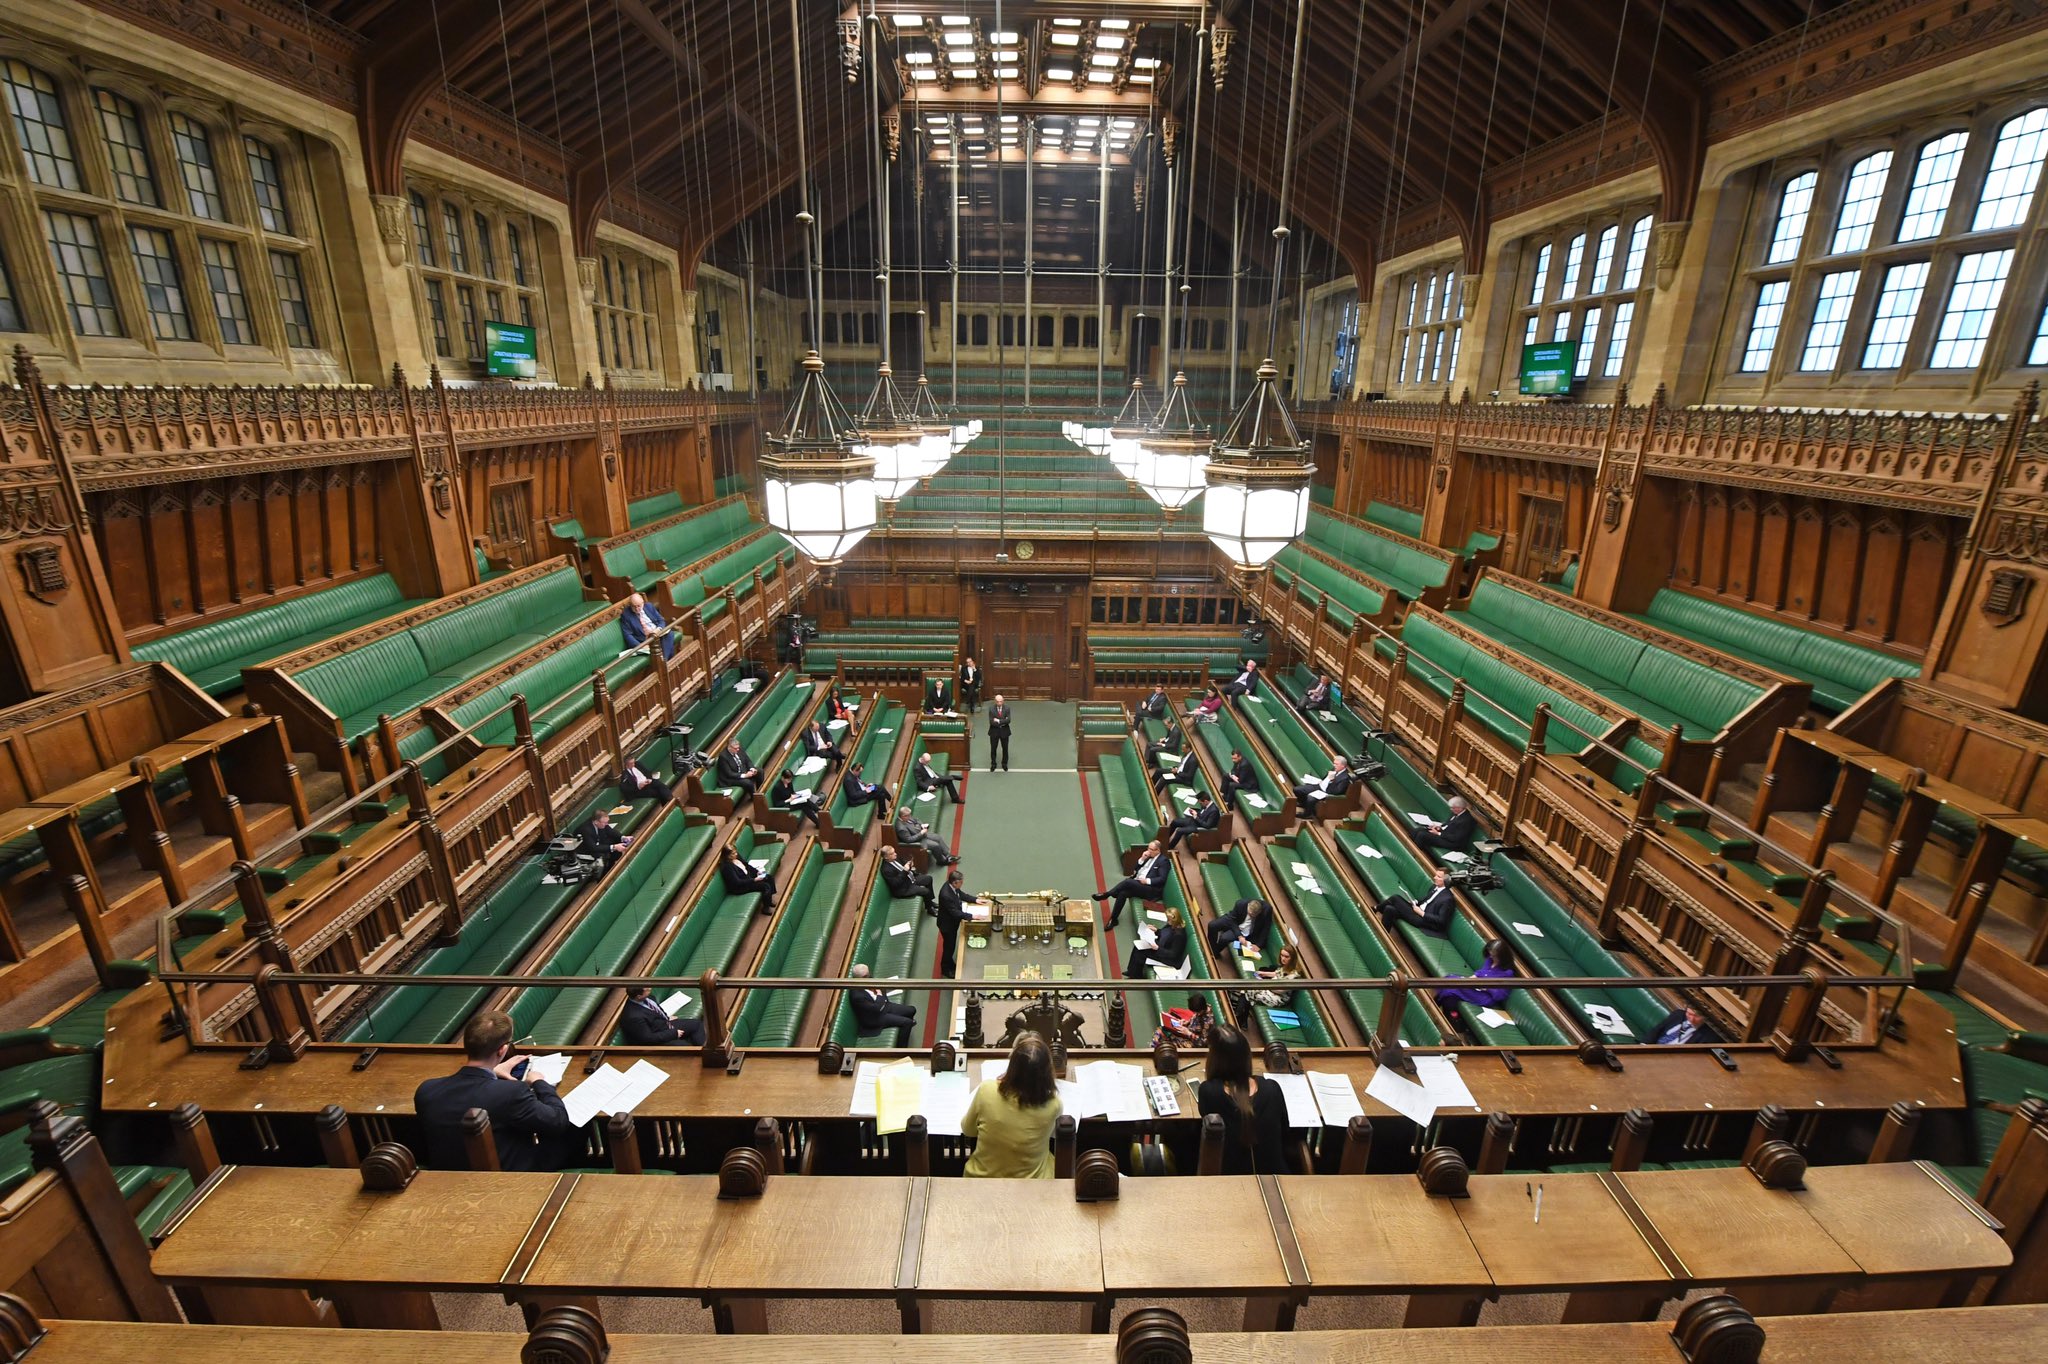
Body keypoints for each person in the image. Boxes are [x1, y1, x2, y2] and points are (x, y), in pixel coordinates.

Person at [413, 1010, 574, 1172]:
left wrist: (493, 1072)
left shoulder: (426, 1090)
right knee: (575, 1130)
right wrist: (539, 1081)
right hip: (507, 1177)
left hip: (449, 1176)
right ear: (502, 1050)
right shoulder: (512, 1092)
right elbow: (558, 1120)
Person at [960, 1034, 1061, 1178]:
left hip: (982, 1180)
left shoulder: (986, 1090)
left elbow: (967, 1130)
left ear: (1012, 1066)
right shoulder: (1054, 1104)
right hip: (1031, 1186)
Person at [1197, 1023, 1290, 1175]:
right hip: (1276, 1178)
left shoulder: (1209, 1091)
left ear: (1214, 1058)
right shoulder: (1272, 1088)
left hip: (1231, 1182)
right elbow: (1286, 1132)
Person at [1093, 841, 1169, 930]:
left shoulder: (1163, 861)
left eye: (1151, 850)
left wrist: (1147, 881)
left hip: (1150, 890)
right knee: (1122, 893)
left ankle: (1107, 894)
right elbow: (1136, 868)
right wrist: (1142, 859)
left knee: (1128, 882)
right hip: (1139, 883)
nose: (1149, 851)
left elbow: (1162, 879)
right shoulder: (1148, 856)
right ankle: (1113, 919)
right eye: (1148, 848)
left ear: (1158, 850)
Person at [1435, 939, 1515, 1022]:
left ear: (1502, 957)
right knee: (1450, 979)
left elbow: (1500, 995)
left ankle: (1439, 1007)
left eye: (1494, 956)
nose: (1491, 957)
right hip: (1476, 987)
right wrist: (1473, 977)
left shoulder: (1507, 973)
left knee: (1452, 986)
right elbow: (1482, 972)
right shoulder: (1490, 960)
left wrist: (1486, 987)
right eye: (1491, 954)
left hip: (1485, 997)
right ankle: (1438, 1007)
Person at [936, 866, 991, 977]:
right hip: (947, 925)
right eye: (961, 882)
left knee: (951, 945)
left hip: (952, 922)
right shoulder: (945, 895)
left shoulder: (952, 887)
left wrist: (975, 900)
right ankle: (945, 968)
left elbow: (961, 894)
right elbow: (955, 913)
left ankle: (950, 964)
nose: (962, 884)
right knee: (949, 947)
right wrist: (972, 916)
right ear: (955, 882)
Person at [1378, 866, 1456, 934]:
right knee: (1389, 909)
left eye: (1438, 877)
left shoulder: (1448, 899)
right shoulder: (1434, 887)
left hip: (1424, 920)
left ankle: (1376, 908)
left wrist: (1422, 913)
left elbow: (1441, 920)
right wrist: (1414, 902)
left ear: (1447, 881)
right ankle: (1383, 935)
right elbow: (1425, 900)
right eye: (1435, 875)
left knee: (1395, 898)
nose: (1434, 877)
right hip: (1417, 912)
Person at [619, 985, 705, 1046]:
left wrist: (665, 1017)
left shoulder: (648, 997)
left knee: (696, 1024)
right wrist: (673, 1033)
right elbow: (648, 1039)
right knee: (686, 1047)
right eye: (647, 989)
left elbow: (656, 1009)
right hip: (657, 1039)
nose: (650, 988)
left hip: (664, 1024)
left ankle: (706, 1050)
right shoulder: (633, 1017)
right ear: (639, 996)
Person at [847, 963, 918, 1034]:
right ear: (858, 978)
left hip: (884, 1005)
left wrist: (881, 994)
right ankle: (901, 1044)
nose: (869, 977)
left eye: (868, 974)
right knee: (907, 1023)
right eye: (866, 976)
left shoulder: (867, 978)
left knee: (912, 1010)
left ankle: (904, 1026)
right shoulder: (857, 996)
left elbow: (880, 988)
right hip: (875, 1018)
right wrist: (879, 994)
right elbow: (876, 1008)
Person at [1123, 903, 1188, 979]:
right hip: (1161, 946)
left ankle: (1136, 976)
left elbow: (1173, 954)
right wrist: (1156, 930)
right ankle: (1131, 971)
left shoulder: (1179, 935)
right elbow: (1165, 934)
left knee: (1141, 953)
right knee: (1138, 946)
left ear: (1175, 920)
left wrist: (1157, 948)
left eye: (1169, 920)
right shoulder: (1172, 925)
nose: (1167, 921)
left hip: (1168, 958)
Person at [1205, 896, 1272, 959]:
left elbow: (1266, 929)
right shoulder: (1241, 904)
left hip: (1247, 932)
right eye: (1249, 912)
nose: (1250, 915)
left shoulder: (1267, 910)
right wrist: (1239, 936)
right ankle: (1211, 949)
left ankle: (1214, 953)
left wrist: (1258, 945)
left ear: (1259, 912)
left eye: (1252, 915)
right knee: (1212, 925)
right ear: (1248, 905)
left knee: (1224, 938)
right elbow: (1232, 920)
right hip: (1235, 922)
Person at [719, 841, 777, 913]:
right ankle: (766, 908)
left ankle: (769, 900)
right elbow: (737, 882)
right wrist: (754, 880)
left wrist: (757, 872)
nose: (736, 854)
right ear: (727, 855)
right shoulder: (727, 867)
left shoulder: (736, 857)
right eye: (733, 854)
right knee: (765, 886)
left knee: (769, 877)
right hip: (741, 886)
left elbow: (746, 865)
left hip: (747, 877)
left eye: (735, 852)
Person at [619, 592, 676, 661]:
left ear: (643, 603)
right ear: (630, 605)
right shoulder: (626, 615)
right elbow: (628, 635)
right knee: (669, 647)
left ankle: (663, 661)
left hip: (657, 634)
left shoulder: (649, 606)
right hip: (645, 641)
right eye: (634, 606)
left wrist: (658, 629)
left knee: (670, 634)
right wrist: (641, 646)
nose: (637, 609)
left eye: (639, 606)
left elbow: (661, 620)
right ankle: (664, 662)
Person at [1246, 946, 1305, 1011]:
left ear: (1292, 958)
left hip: (1278, 998)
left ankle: (1240, 1015)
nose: (1283, 958)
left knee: (1250, 991)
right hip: (1271, 989)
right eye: (1282, 955)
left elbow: (1280, 990)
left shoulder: (1294, 975)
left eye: (1286, 957)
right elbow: (1277, 973)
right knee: (1248, 988)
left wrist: (1264, 984)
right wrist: (1263, 973)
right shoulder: (1285, 966)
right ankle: (1241, 1015)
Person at [880, 844, 936, 912]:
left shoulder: (895, 858)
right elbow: (895, 884)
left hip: (910, 878)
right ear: (886, 857)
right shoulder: (886, 870)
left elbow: (903, 863)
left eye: (894, 852)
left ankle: (930, 902)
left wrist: (909, 864)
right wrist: (905, 871)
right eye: (892, 853)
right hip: (903, 888)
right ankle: (930, 909)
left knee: (929, 879)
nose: (895, 854)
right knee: (926, 891)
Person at [1653, 1001, 1723, 1045]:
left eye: (1696, 1016)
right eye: (1689, 1014)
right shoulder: (1678, 1014)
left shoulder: (1709, 1037)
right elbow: (1656, 1031)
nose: (1691, 1019)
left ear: (1706, 1017)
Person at [715, 739, 762, 804]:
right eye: (735, 748)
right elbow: (729, 774)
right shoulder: (723, 756)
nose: (738, 750)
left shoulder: (739, 749)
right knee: (748, 782)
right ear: (729, 747)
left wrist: (752, 769)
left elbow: (747, 760)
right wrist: (745, 775)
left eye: (738, 748)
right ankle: (754, 798)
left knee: (760, 771)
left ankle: (760, 792)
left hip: (742, 771)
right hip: (731, 778)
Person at [988, 694, 1012, 771]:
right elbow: (991, 722)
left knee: (1005, 749)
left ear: (1003, 701)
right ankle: (993, 764)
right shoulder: (991, 709)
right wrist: (1003, 721)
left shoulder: (1007, 708)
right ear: (995, 701)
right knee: (993, 749)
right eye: (998, 702)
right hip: (994, 731)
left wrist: (998, 720)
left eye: (1001, 701)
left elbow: (1008, 720)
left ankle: (1004, 764)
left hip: (1004, 731)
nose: (999, 703)